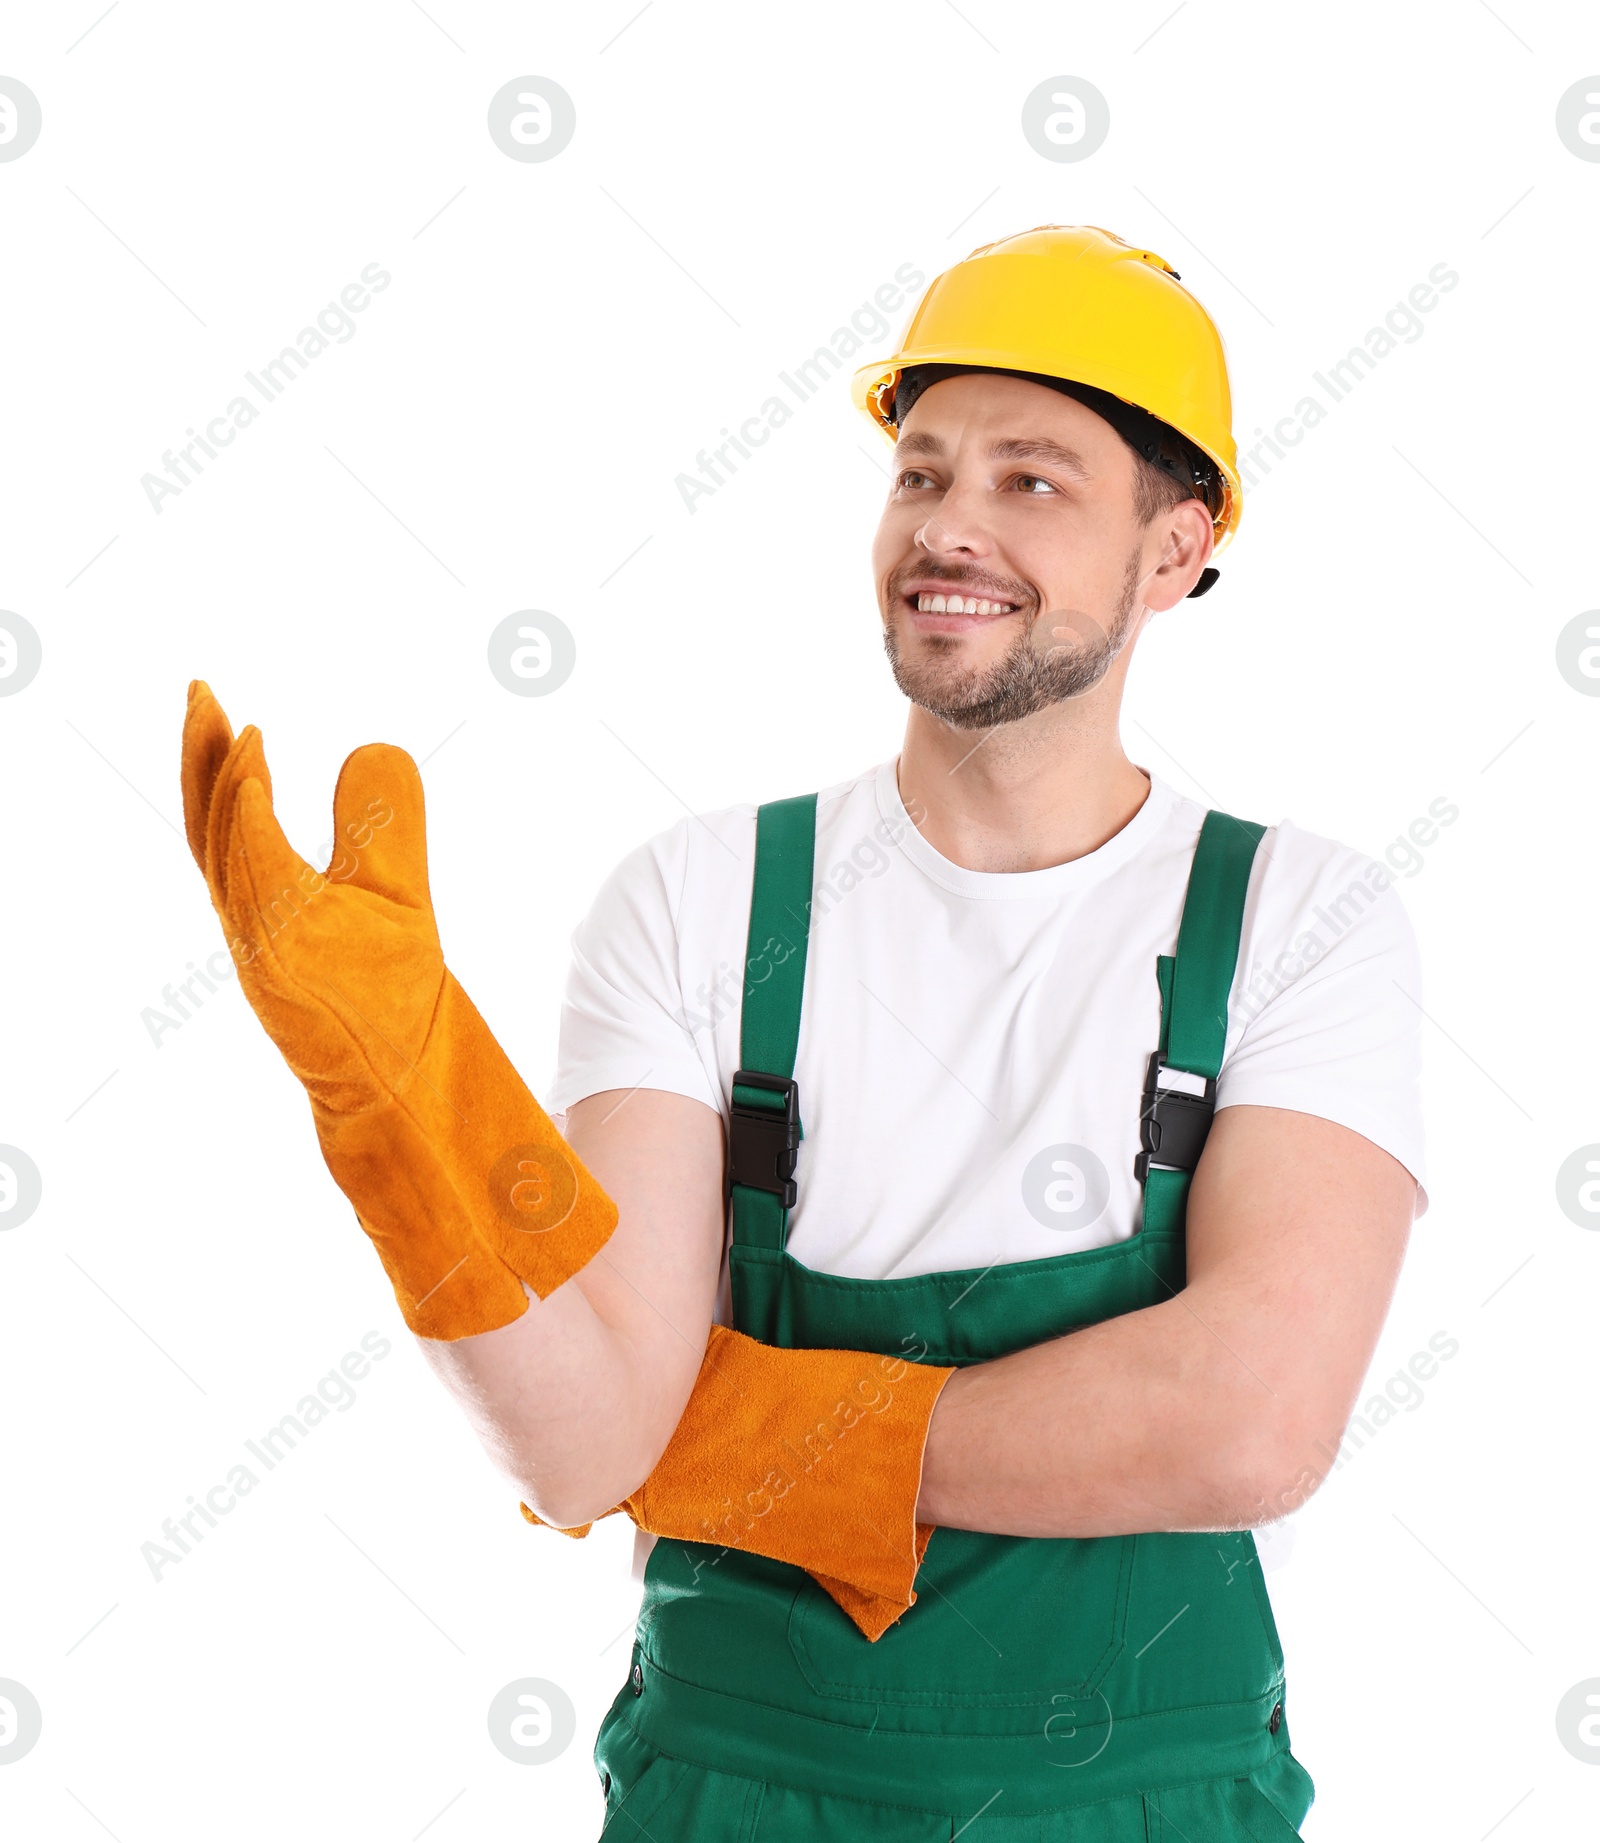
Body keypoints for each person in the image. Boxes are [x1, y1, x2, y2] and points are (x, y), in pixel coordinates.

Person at [180, 225, 1426, 1839]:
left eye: (1032, 481)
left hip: (1140, 1802)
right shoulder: (701, 901)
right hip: (735, 1791)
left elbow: (1248, 1418)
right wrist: (396, 1103)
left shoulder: (1297, 918)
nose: (950, 527)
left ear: (1176, 549)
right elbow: (582, 1449)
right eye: (921, 473)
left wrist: (738, 1433)